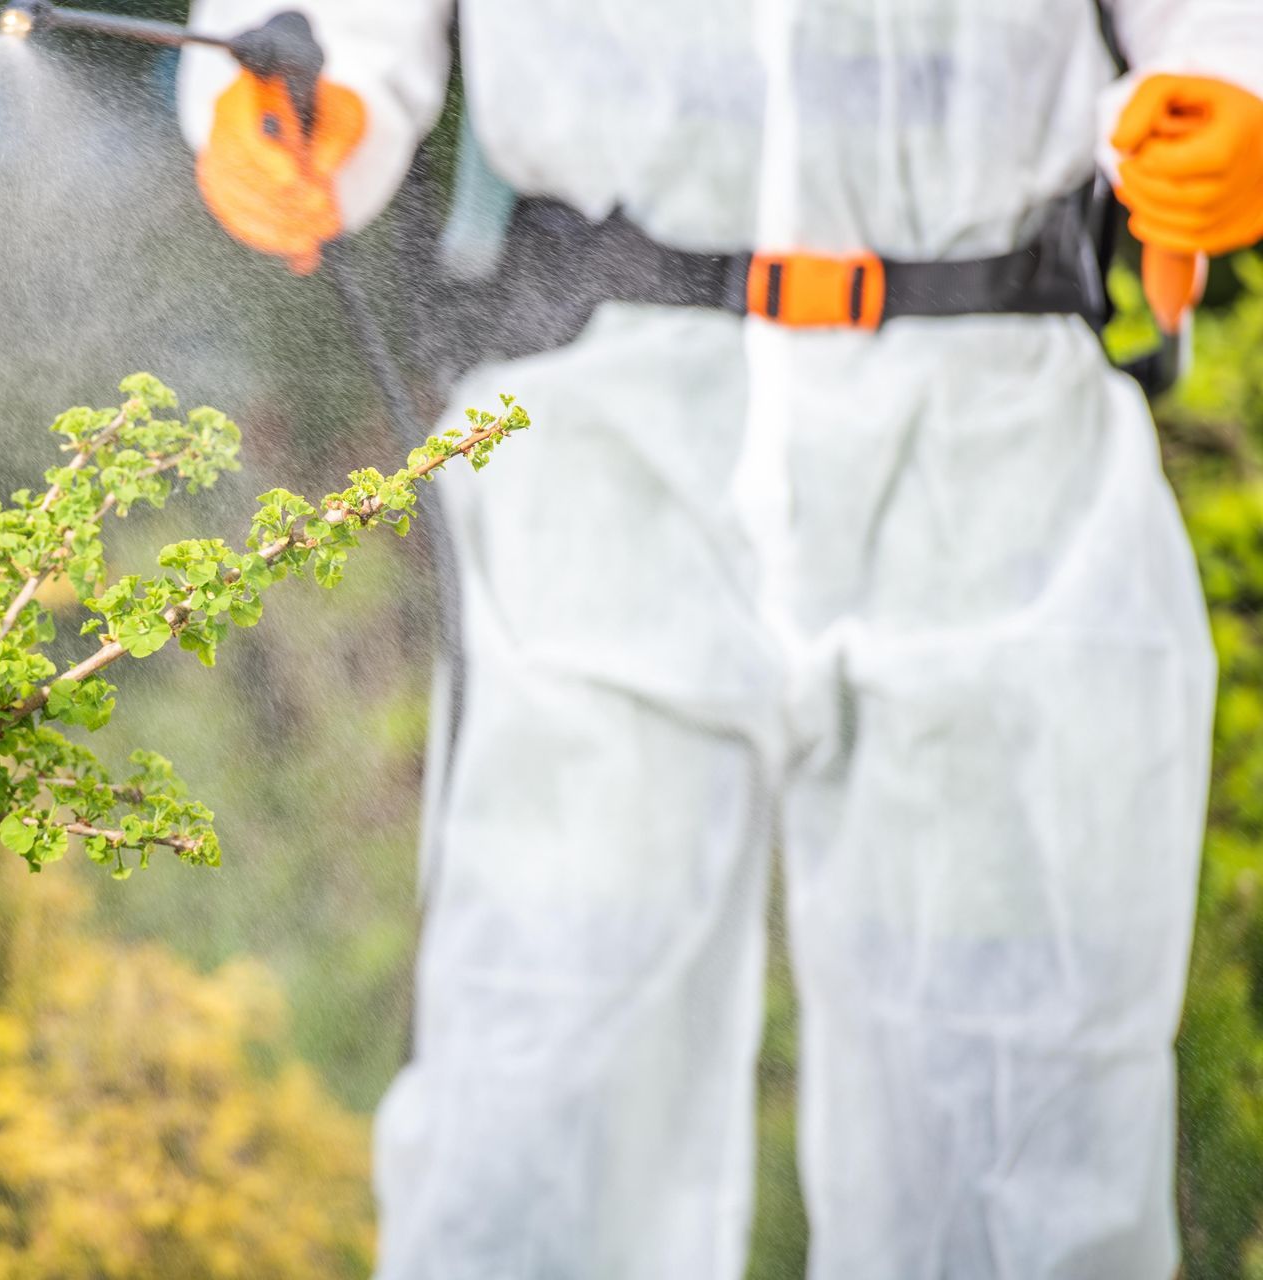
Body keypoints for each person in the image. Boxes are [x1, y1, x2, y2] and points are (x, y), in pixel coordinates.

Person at [179, 2, 1263, 1277]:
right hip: (600, 435)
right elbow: (322, 36)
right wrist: (305, 114)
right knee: (537, 1090)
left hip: (999, 451)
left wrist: (1237, 84)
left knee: (1023, 1118)